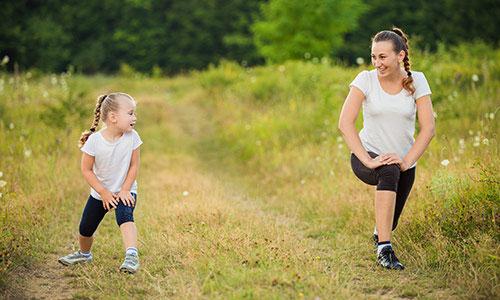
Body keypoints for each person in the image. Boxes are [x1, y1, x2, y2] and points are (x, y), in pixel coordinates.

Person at [338, 28, 435, 270]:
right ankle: (384, 249)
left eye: (382, 57)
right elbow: (345, 123)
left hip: (404, 161)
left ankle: (380, 234)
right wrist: (369, 161)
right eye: (373, 57)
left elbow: (428, 128)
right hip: (367, 156)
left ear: (400, 56)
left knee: (390, 221)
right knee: (388, 169)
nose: (377, 63)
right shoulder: (365, 80)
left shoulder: (417, 80)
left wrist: (406, 162)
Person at [58, 92, 143, 274]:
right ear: (113, 117)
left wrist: (125, 189)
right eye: (130, 113)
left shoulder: (132, 137)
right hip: (100, 192)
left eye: (134, 113)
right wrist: (103, 192)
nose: (134, 117)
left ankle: (131, 256)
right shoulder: (94, 141)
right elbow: (86, 170)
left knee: (125, 216)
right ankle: (84, 254)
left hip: (125, 190)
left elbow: (134, 165)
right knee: (86, 227)